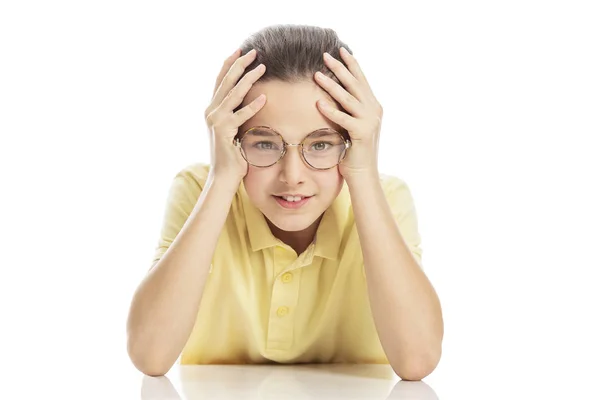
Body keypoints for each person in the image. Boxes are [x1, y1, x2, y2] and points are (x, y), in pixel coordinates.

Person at [126, 24, 444, 381]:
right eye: (264, 143)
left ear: (352, 141)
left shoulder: (384, 198)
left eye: (321, 144)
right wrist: (222, 178)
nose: (292, 175)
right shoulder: (200, 190)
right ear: (230, 140)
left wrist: (364, 173)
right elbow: (150, 356)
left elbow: (417, 361)